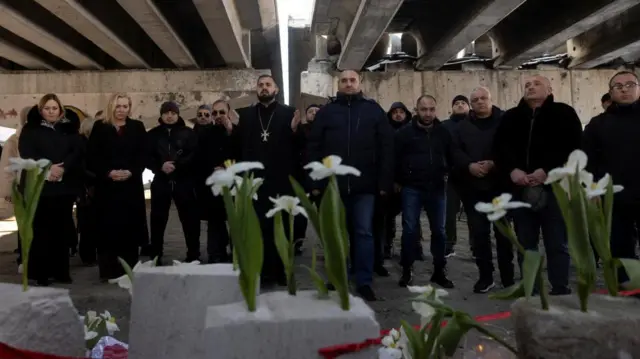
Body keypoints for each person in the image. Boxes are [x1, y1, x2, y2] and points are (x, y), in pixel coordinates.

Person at [307, 69, 394, 301]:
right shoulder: (326, 112)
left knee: (364, 233)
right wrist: (314, 182)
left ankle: (364, 280)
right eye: (344, 80)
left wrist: (384, 182)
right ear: (338, 83)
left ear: (359, 83)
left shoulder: (373, 111)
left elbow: (387, 148)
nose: (348, 84)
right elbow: (314, 146)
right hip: (332, 187)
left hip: (365, 186)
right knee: (335, 234)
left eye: (352, 80)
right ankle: (337, 277)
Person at [493, 75, 582, 295]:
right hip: (521, 189)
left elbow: (574, 146)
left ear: (550, 89)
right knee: (525, 243)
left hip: (555, 189)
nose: (531, 87)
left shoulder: (564, 113)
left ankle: (560, 286)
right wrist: (513, 171)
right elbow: (500, 148)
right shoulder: (511, 117)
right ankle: (530, 285)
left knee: (557, 242)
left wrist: (547, 170)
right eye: (527, 85)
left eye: (536, 84)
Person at [232, 74, 302, 287]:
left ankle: (281, 271)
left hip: (281, 180)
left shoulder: (289, 113)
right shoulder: (245, 115)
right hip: (255, 181)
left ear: (276, 89)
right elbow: (238, 147)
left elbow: (299, 148)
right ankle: (259, 270)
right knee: (258, 228)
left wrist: (296, 130)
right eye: (260, 85)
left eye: (268, 85)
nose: (264, 88)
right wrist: (231, 130)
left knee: (280, 228)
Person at [451, 87, 514, 293]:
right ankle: (485, 277)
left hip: (500, 188)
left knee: (503, 234)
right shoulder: (462, 127)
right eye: (475, 99)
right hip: (473, 190)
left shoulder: (506, 121)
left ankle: (508, 276)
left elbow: (514, 148)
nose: (480, 102)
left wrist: (494, 163)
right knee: (479, 235)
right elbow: (454, 151)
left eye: (483, 98)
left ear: (491, 99)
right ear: (470, 103)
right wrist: (469, 165)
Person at [19, 94, 83, 286]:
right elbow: (27, 153)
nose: (51, 111)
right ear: (41, 111)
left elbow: (77, 151)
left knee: (61, 231)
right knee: (41, 232)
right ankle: (41, 273)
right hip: (39, 187)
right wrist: (48, 169)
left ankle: (61, 272)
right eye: (47, 108)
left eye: (54, 108)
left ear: (60, 110)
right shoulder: (30, 130)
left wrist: (63, 168)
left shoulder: (69, 130)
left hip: (63, 188)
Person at [583, 71, 640, 285]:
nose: (624, 89)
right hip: (613, 198)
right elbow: (587, 161)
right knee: (620, 248)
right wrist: (593, 190)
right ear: (611, 92)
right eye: (618, 86)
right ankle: (626, 290)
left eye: (630, 84)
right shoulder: (598, 124)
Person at [87, 93, 149, 281]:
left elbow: (144, 154)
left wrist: (132, 171)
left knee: (130, 230)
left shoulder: (137, 127)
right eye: (118, 106)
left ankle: (129, 271)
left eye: (125, 106)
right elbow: (91, 158)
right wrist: (108, 173)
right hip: (107, 189)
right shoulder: (99, 127)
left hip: (131, 188)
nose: (121, 110)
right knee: (107, 230)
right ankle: (108, 271)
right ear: (111, 107)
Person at [395, 95, 454, 289]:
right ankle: (407, 270)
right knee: (410, 230)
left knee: (439, 231)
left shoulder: (443, 132)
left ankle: (439, 271)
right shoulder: (404, 133)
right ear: (416, 110)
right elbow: (394, 158)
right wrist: (397, 181)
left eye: (431, 109)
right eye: (423, 109)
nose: (427, 113)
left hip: (436, 188)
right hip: (411, 188)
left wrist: (448, 173)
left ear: (435, 110)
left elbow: (452, 156)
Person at [147, 101, 200, 264]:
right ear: (161, 115)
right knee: (157, 219)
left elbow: (193, 155)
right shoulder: (152, 134)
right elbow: (147, 156)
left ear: (178, 114)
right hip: (161, 180)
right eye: (166, 113)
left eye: (173, 113)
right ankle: (156, 254)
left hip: (183, 180)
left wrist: (177, 166)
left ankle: (193, 254)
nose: (169, 116)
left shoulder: (188, 133)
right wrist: (159, 166)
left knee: (189, 218)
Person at [194, 101, 234, 263]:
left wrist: (231, 131)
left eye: (221, 112)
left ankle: (237, 251)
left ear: (229, 113)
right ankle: (215, 253)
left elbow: (242, 151)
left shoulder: (238, 131)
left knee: (235, 218)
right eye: (215, 113)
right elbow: (200, 157)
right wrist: (213, 169)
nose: (218, 116)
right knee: (215, 220)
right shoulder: (206, 133)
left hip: (233, 183)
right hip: (213, 184)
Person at [0, 106, 29, 271]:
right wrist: (9, 192)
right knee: (24, 225)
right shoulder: (14, 140)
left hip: (38, 189)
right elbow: (7, 168)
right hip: (20, 188)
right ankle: (23, 259)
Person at [442, 95, 470, 258]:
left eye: (463, 103)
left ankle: (476, 247)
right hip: (452, 176)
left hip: (473, 176)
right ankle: (449, 245)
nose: (460, 105)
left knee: (474, 214)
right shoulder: (445, 126)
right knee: (449, 213)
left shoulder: (474, 124)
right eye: (456, 103)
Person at [293, 104, 322, 256]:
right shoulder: (301, 129)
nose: (314, 114)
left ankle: (328, 243)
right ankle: (297, 243)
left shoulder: (327, 129)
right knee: (301, 214)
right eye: (310, 112)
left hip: (322, 178)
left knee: (324, 214)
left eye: (317, 111)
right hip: (303, 178)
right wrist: (294, 127)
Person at [77, 117, 98, 266]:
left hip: (86, 188)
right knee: (88, 224)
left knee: (87, 224)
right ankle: (88, 256)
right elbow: (82, 168)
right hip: (87, 189)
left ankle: (89, 255)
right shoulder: (84, 144)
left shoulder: (84, 143)